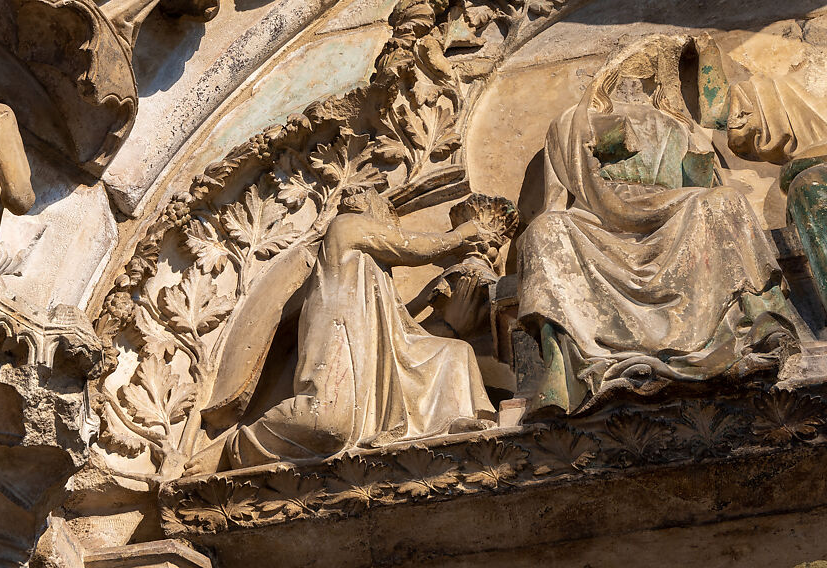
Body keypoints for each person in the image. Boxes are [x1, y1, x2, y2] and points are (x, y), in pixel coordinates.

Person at [517, 34, 801, 415]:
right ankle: (562, 370)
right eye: (630, 62)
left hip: (673, 210)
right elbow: (562, 192)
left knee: (724, 201)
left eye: (651, 67)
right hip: (599, 222)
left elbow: (700, 183)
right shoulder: (574, 120)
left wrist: (697, 145)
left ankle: (761, 320)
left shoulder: (676, 124)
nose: (639, 73)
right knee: (546, 231)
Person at [214, 188, 496, 468]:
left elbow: (395, 326)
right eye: (386, 215)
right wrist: (461, 235)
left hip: (370, 350)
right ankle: (233, 448)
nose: (388, 224)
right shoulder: (345, 226)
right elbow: (407, 246)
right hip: (339, 336)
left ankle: (453, 420)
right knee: (325, 421)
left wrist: (426, 299)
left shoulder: (372, 267)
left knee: (455, 351)